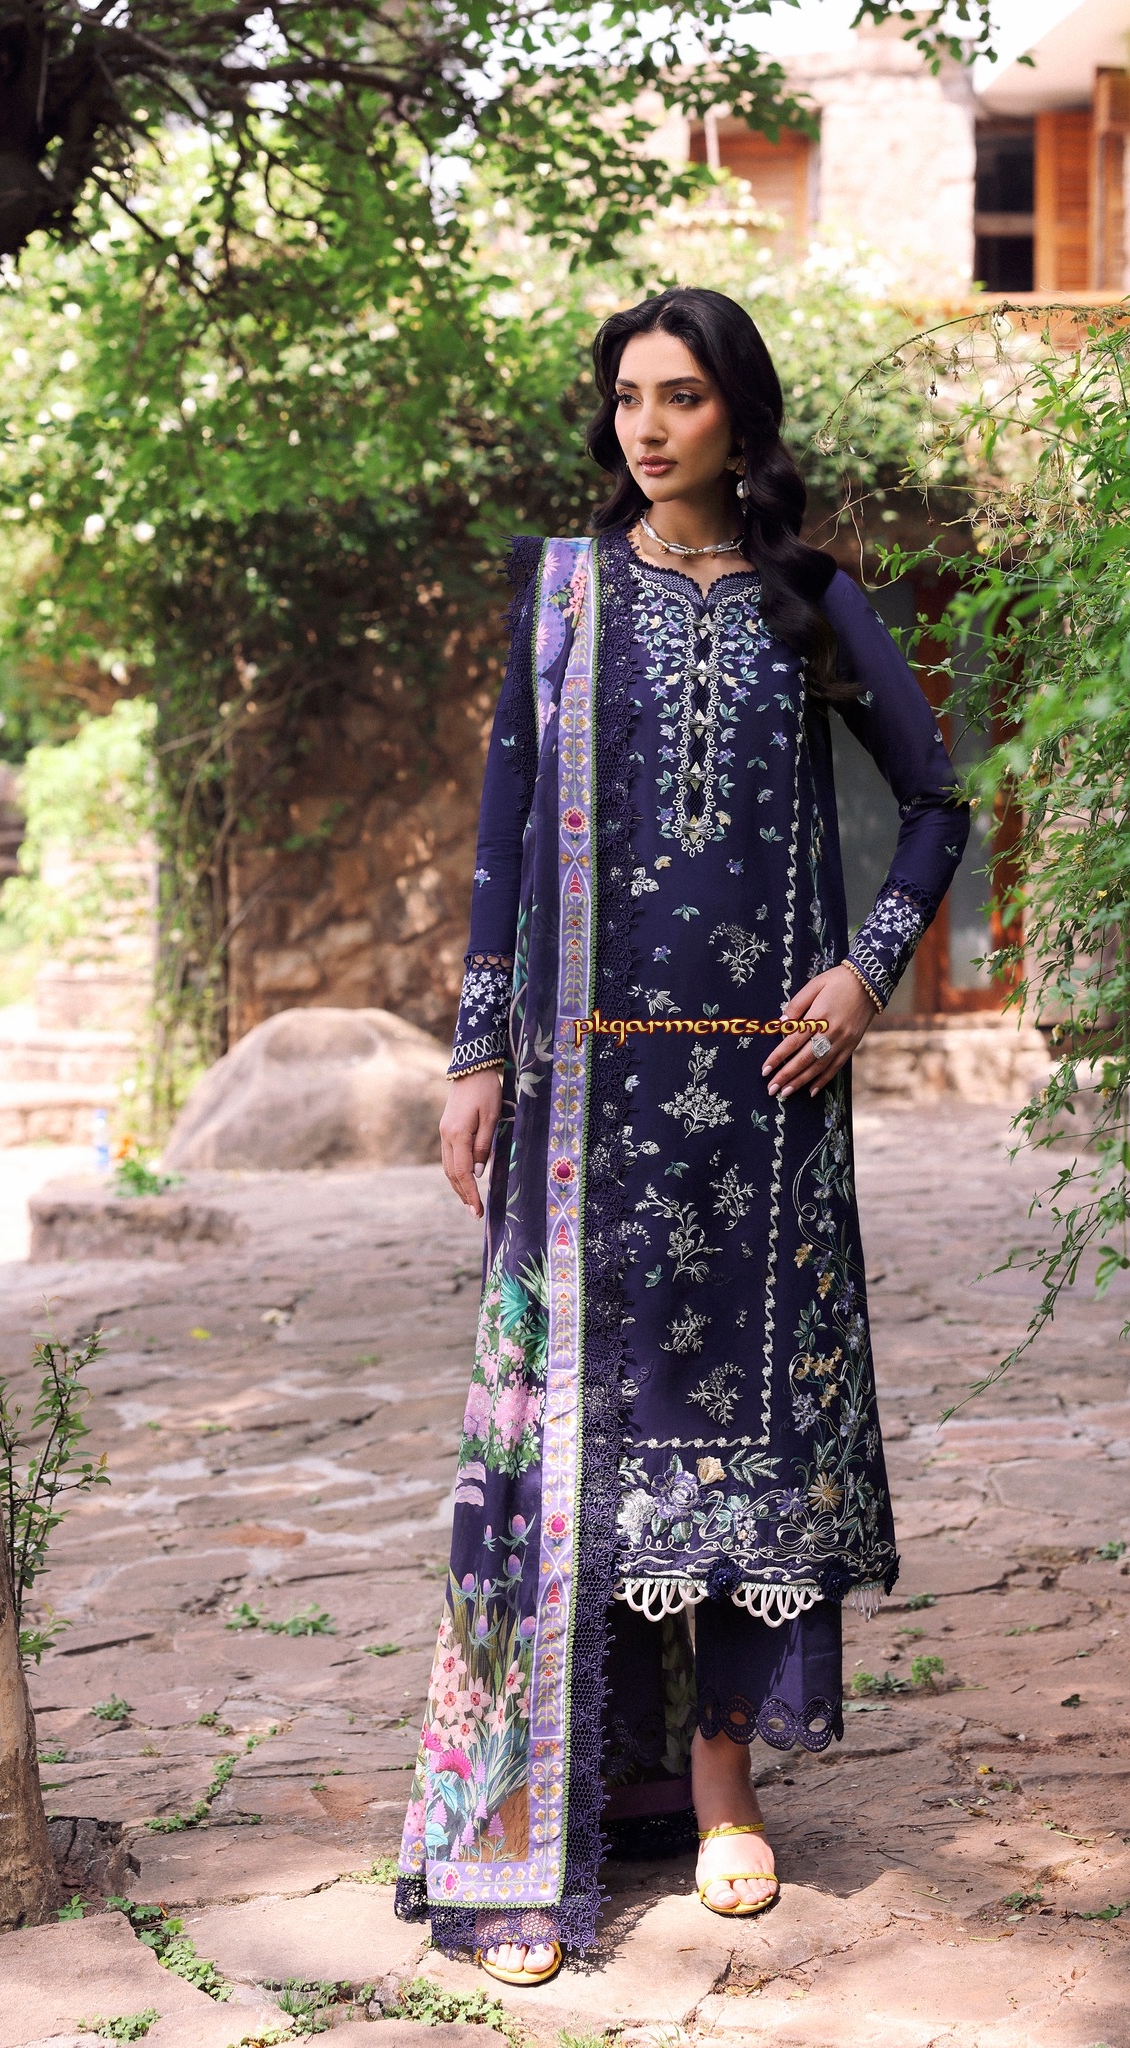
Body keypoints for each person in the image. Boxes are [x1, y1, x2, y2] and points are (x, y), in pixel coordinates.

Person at [395, 286, 969, 1986]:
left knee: (745, 1437)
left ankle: (722, 1782)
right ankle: (529, 1809)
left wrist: (863, 974)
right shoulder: (563, 597)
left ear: (740, 417)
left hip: (765, 1101)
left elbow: (937, 803)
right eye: (628, 397)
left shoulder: (812, 600)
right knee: (565, 1437)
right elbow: (503, 833)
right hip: (584, 1097)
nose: (647, 428)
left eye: (683, 398)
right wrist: (475, 1056)